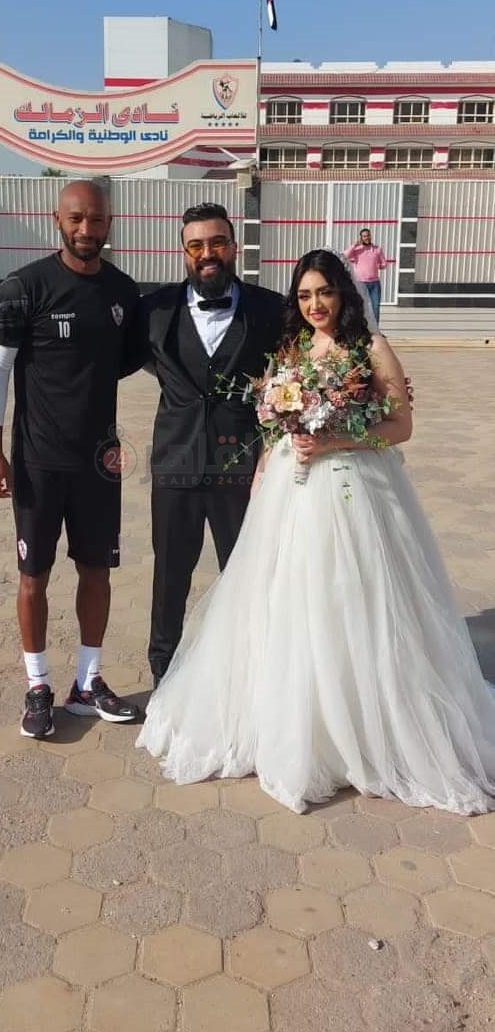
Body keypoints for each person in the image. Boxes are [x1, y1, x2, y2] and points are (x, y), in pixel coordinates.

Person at [137, 248, 495, 815]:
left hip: (355, 487)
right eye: (304, 295)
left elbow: (401, 425)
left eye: (324, 292)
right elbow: (276, 423)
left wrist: (335, 440)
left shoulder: (370, 348)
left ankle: (368, 722)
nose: (315, 304)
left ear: (343, 294)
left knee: (354, 596)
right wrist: (266, 464)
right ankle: (292, 717)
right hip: (292, 485)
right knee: (290, 596)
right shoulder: (293, 350)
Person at [0, 180, 143, 739]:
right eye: (76, 218)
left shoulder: (122, 291)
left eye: (95, 220)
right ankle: (38, 686)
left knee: (97, 571)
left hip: (100, 461)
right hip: (37, 462)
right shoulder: (25, 286)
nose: (86, 229)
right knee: (35, 576)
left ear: (109, 224)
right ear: (57, 219)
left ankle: (87, 683)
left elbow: (135, 361)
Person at [140, 202, 286, 689]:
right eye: (197, 245)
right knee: (169, 578)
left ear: (234, 247)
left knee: (247, 575)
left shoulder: (271, 309)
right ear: (183, 252)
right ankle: (163, 674)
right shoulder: (154, 310)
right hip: (175, 465)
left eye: (218, 243)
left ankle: (251, 674)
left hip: (243, 469)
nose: (208, 254)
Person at [344, 228, 387, 324]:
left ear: (370, 236)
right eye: (364, 236)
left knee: (375, 307)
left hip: (374, 284)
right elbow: (345, 255)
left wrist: (382, 266)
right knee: (359, 307)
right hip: (360, 283)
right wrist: (354, 245)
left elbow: (384, 263)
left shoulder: (377, 249)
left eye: (368, 235)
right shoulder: (357, 250)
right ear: (361, 238)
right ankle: (360, 328)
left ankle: (375, 329)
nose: (367, 238)